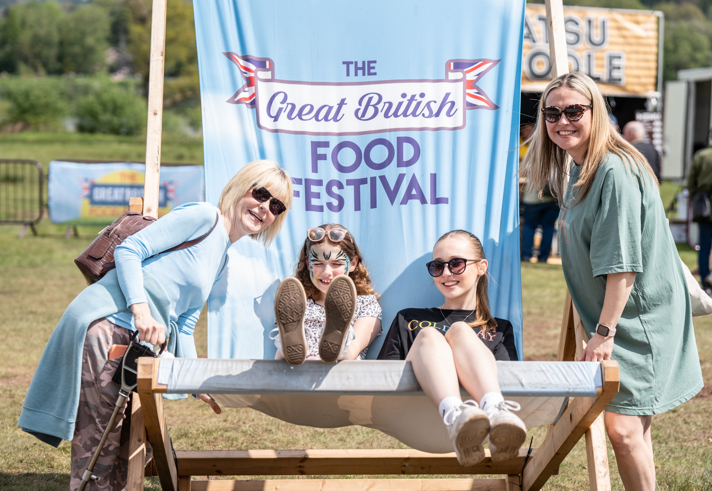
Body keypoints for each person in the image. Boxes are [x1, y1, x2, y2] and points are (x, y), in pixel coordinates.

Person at [18, 160, 294, 490]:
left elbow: (185, 325)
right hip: (110, 327)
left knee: (128, 450)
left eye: (275, 205)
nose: (264, 207)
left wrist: (197, 381)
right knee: (98, 450)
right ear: (242, 187)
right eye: (260, 194)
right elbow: (130, 250)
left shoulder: (222, 257)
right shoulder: (203, 217)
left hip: (141, 346)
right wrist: (142, 313)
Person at [521, 71, 703, 491]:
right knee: (633, 431)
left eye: (573, 110)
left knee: (621, 430)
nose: (561, 120)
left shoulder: (614, 171)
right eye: (552, 112)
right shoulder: (579, 168)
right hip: (620, 317)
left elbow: (621, 265)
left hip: (635, 319)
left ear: (596, 112)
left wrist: (603, 332)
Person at [377, 230, 525, 466]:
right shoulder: (409, 318)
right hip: (413, 415)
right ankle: (456, 415)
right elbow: (384, 378)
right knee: (429, 336)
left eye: (456, 264)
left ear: (481, 267)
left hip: (481, 426)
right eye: (437, 266)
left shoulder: (499, 329)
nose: (446, 273)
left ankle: (496, 413)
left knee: (460, 330)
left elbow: (508, 379)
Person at [273, 224, 382, 365]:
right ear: (308, 264)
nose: (326, 272)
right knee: (285, 348)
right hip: (294, 374)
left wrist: (314, 362)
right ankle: (292, 341)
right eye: (318, 263)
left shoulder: (366, 304)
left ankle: (338, 338)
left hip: (340, 376)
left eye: (336, 264)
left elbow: (353, 351)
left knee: (346, 351)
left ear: (353, 263)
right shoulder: (295, 302)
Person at [687, 128, 712, 290]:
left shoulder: (701, 156)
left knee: (704, 245)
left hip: (705, 205)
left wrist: (696, 194)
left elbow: (691, 182)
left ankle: (705, 282)